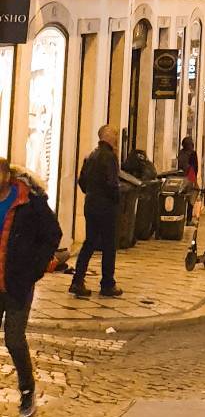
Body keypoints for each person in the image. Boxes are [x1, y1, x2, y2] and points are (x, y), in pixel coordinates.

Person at [0, 158, 61, 417]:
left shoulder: (29, 201)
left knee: (14, 339)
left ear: (6, 175)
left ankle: (27, 389)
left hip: (17, 282)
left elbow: (52, 234)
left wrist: (34, 268)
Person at [70, 125, 122, 299]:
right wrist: (116, 199)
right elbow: (112, 183)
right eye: (114, 134)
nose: (116, 137)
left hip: (91, 204)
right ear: (107, 137)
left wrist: (91, 193)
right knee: (109, 245)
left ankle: (77, 280)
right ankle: (107, 283)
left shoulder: (90, 156)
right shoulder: (110, 157)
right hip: (106, 207)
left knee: (89, 242)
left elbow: (82, 181)